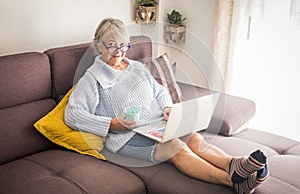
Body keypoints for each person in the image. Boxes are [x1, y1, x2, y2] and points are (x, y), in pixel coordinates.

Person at [64, 18, 269, 193]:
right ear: (98, 45)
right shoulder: (92, 78)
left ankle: (234, 164)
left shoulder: (136, 67)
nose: (119, 51)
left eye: (123, 45)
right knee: (175, 147)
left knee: (191, 135)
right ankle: (233, 182)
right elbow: (73, 115)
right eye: (111, 45)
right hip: (125, 136)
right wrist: (111, 124)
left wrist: (167, 108)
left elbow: (160, 91)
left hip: (154, 124)